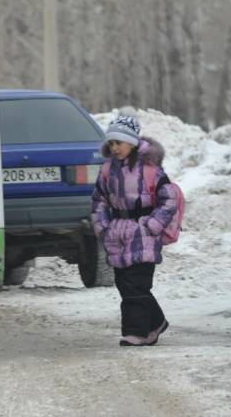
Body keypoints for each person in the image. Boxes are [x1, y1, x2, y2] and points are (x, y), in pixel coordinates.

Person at [91, 115, 179, 346]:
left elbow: (169, 199)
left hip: (143, 233)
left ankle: (138, 333)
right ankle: (155, 323)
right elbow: (99, 200)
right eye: (111, 143)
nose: (115, 147)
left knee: (136, 284)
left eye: (119, 142)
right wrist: (102, 226)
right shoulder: (108, 169)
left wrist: (152, 225)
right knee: (124, 283)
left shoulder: (150, 169)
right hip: (117, 233)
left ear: (132, 142)